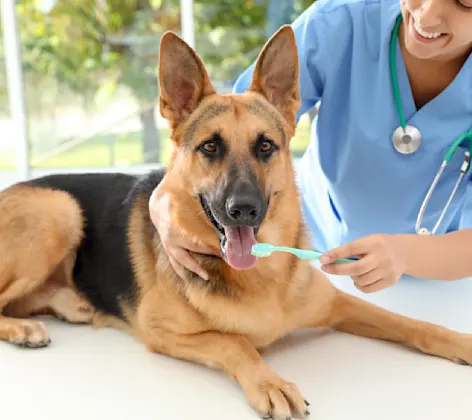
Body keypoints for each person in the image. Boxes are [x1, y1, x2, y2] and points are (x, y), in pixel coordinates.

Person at [149, 0, 472, 292]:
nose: (427, 15)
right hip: (309, 256)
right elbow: (229, 127)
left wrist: (405, 253)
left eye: (464, 4)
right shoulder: (339, 24)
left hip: (444, 278)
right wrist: (162, 203)